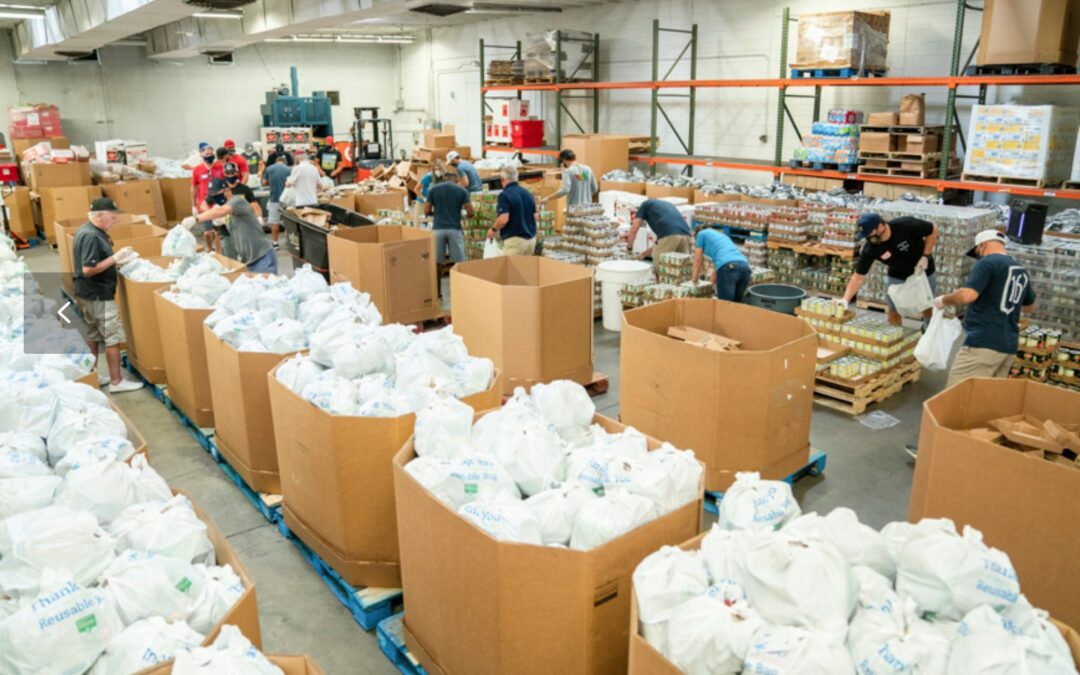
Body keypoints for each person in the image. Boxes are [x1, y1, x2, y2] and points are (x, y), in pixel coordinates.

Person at [936, 229, 1036, 388]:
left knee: (956, 395)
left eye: (977, 252)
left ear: (983, 245)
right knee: (987, 397)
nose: (978, 256)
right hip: (1008, 345)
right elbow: (1029, 306)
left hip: (983, 343)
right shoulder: (1020, 270)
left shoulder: (987, 262)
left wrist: (943, 300)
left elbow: (966, 296)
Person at [71, 198, 143, 393]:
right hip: (98, 295)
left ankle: (91, 375)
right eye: (112, 217)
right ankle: (116, 381)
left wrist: (116, 263)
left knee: (93, 335)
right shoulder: (92, 236)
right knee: (112, 337)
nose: (115, 221)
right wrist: (115, 257)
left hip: (86, 293)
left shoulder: (87, 230)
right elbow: (88, 269)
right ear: (99, 215)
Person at [839, 213, 939, 327]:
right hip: (897, 275)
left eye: (870, 234)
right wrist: (845, 300)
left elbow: (933, 230)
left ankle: (928, 334)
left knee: (927, 308)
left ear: (881, 226)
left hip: (923, 271)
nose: (869, 238)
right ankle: (895, 339)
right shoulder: (871, 249)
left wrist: (925, 256)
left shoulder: (905, 225)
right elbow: (858, 277)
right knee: (893, 312)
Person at [194, 179, 277, 273]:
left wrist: (196, 219)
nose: (214, 198)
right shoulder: (228, 210)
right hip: (248, 260)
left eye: (216, 194)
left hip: (262, 256)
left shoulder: (237, 200)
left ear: (227, 190)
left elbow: (220, 212)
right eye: (212, 195)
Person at [626, 199, 693, 276]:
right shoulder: (663, 208)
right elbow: (660, 243)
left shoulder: (644, 205)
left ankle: (659, 286)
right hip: (686, 234)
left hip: (670, 234)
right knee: (681, 268)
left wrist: (629, 248)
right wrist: (642, 255)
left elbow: (634, 228)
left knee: (659, 267)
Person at [426, 168, 474, 264]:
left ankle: (437, 279)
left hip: (438, 229)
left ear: (444, 178)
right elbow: (471, 212)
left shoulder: (433, 190)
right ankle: (457, 278)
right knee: (459, 262)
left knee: (436, 262)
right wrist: (462, 216)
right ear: (456, 180)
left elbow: (426, 210)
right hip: (454, 228)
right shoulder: (462, 191)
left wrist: (436, 214)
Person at [692, 225, 751, 302]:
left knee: (724, 306)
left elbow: (697, 260)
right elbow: (718, 267)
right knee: (736, 306)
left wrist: (693, 282)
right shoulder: (722, 237)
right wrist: (709, 286)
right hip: (745, 267)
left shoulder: (701, 234)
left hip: (728, 268)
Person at [489, 165, 538, 256]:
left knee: (510, 269)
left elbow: (504, 219)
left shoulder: (504, 195)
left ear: (503, 179)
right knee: (526, 269)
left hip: (515, 241)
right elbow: (535, 216)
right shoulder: (527, 193)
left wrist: (493, 229)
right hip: (531, 240)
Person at [263, 154, 292, 247]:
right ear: (284, 162)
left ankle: (275, 243)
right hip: (288, 199)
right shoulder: (289, 169)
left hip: (274, 198)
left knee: (274, 222)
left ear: (276, 161)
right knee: (289, 221)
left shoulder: (269, 168)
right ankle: (289, 241)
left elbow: (264, 182)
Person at [190, 142, 224, 215]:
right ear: (201, 155)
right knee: (207, 225)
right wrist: (193, 206)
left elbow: (226, 185)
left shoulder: (221, 167)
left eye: (211, 154)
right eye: (207, 154)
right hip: (204, 205)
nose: (209, 156)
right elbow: (194, 188)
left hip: (219, 204)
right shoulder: (197, 169)